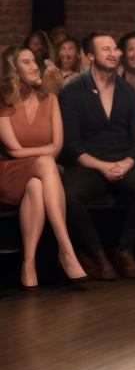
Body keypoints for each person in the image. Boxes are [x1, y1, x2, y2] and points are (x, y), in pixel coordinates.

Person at [59, 32, 135, 280]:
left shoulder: (128, 92)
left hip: (122, 159)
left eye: (115, 48)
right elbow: (71, 145)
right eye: (106, 49)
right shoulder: (72, 91)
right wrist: (102, 166)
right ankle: (97, 254)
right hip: (87, 163)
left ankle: (124, 251)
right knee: (69, 195)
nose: (115, 53)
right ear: (90, 55)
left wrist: (126, 162)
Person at [0, 47, 88, 289]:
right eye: (26, 63)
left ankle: (28, 264)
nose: (34, 66)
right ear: (13, 70)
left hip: (37, 173)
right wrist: (43, 152)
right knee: (47, 163)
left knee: (37, 186)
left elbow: (57, 146)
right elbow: (13, 151)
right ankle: (66, 248)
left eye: (34, 61)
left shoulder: (50, 99)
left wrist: (43, 154)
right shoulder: (4, 101)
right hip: (7, 171)